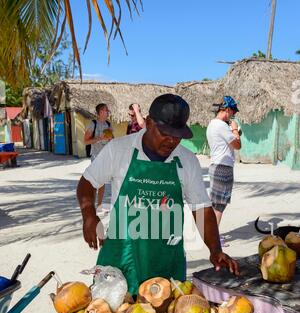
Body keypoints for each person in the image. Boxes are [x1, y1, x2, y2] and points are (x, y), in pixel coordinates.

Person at [77, 94, 239, 295]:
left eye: (177, 134)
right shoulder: (119, 150)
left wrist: (215, 249)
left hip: (166, 261)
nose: (172, 140)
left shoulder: (187, 161)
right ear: (149, 123)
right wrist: (89, 214)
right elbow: (87, 182)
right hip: (122, 256)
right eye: (165, 132)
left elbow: (202, 208)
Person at [206, 96, 241, 233]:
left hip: (215, 165)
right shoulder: (221, 126)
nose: (233, 115)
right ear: (227, 109)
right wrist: (235, 130)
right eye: (233, 112)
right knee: (219, 206)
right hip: (223, 167)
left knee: (215, 204)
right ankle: (214, 236)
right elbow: (237, 145)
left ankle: (210, 233)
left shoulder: (212, 124)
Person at [84, 103, 114, 210]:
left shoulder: (108, 125)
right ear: (100, 112)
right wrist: (99, 139)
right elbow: (85, 141)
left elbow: (112, 140)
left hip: (106, 156)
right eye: (106, 110)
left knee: (102, 181)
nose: (108, 112)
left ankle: (99, 205)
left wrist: (110, 138)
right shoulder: (93, 124)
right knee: (95, 180)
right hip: (96, 155)